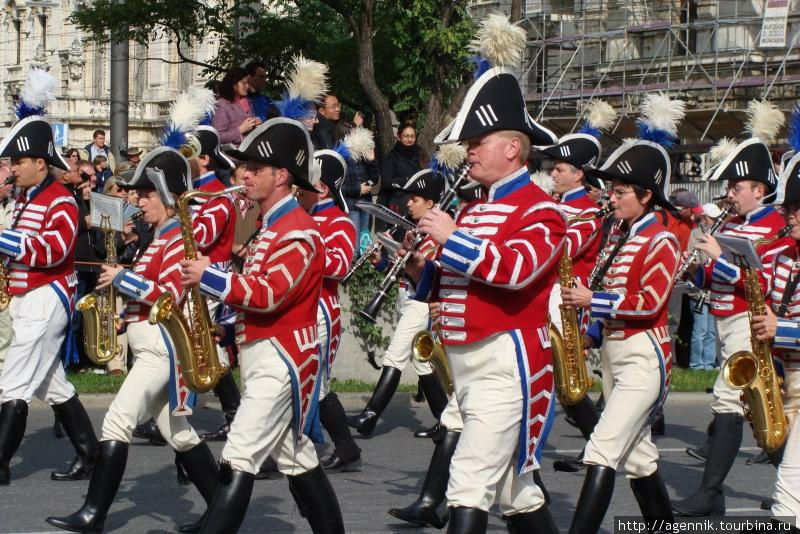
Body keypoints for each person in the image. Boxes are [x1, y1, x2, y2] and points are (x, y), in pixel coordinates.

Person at [401, 15, 563, 530]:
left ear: (512, 147)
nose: (468, 150)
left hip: (506, 361)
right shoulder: (471, 210)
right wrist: (419, 261)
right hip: (466, 362)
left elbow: (514, 271)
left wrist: (451, 238)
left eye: (479, 141)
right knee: (517, 495)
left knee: (468, 486)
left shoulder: (543, 210)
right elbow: (440, 288)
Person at [180, 118, 344, 534]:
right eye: (243, 167)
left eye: (254, 167)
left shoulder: (299, 230)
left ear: (283, 175)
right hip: (265, 352)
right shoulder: (271, 225)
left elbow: (270, 294)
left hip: (283, 357)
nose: (243, 175)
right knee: (297, 457)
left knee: (238, 455)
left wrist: (211, 278)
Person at [561, 93, 685, 534]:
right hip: (614, 352)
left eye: (619, 191)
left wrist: (590, 301)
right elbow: (608, 290)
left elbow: (650, 302)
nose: (611, 198)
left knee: (601, 450)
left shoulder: (663, 240)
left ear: (647, 195)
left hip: (644, 356)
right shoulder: (617, 233)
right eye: (610, 190)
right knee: (639, 458)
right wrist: (588, 333)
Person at [672, 101, 793, 517]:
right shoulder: (731, 224)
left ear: (759, 189)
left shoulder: (771, 228)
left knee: (729, 402)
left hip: (749, 321)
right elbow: (715, 278)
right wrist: (696, 270)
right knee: (761, 413)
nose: (728, 194)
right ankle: (790, 486)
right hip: (725, 318)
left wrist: (718, 256)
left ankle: (711, 493)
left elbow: (757, 283)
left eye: (735, 187)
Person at [0, 69, 101, 487]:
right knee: (50, 383)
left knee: (12, 382)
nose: (11, 169)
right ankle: (91, 453)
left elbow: (53, 251)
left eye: (18, 161)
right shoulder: (24, 199)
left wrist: (4, 242)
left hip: (48, 296)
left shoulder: (60, 201)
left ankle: (1, 462)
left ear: (40, 163)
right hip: (26, 296)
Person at [538, 100, 613, 472]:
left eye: (561, 168)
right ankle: (599, 446)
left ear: (579, 175)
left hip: (564, 299)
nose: (553, 173)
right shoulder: (555, 203)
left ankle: (598, 448)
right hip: (546, 294)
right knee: (562, 384)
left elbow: (560, 249)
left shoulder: (586, 210)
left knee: (563, 381)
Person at [347, 168, 449, 439]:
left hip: (423, 305)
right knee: (422, 364)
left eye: (415, 199)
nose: (408, 204)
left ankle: (370, 414)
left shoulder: (438, 236)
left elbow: (432, 274)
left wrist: (411, 261)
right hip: (409, 300)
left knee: (395, 356)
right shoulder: (415, 232)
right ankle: (445, 420)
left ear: (430, 204)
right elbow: (402, 271)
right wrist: (382, 262)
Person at [297, 148, 361, 472]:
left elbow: (339, 266)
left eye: (304, 182)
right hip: (296, 307)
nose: (297, 188)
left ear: (322, 187)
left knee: (315, 383)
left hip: (322, 309)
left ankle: (323, 447)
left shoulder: (340, 222)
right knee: (301, 381)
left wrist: (305, 248)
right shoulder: (299, 216)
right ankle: (345, 446)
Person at [749, 142, 800, 533]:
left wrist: (778, 328)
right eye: (788, 208)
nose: (789, 215)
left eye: (797, 209)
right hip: (788, 379)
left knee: (787, 491)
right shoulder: (783, 256)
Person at [188, 125, 242, 443]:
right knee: (194, 351)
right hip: (189, 280)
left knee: (208, 352)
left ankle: (235, 415)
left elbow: (202, 238)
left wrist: (174, 212)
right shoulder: (190, 192)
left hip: (209, 282)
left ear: (204, 159)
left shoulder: (219, 198)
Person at [687, 203, 723, 371]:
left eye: (715, 218)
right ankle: (696, 364)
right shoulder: (695, 233)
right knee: (699, 330)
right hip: (699, 289)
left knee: (711, 331)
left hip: (714, 287)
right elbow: (691, 259)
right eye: (711, 218)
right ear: (704, 218)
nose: (714, 221)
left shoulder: (720, 234)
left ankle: (709, 364)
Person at [380, 122, 424, 218]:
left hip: (418, 204)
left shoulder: (419, 154)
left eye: (412, 136)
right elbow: (386, 182)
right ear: (399, 137)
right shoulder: (390, 157)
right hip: (399, 204)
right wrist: (408, 180)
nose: (410, 139)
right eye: (406, 136)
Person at [211, 67, 261, 146]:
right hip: (233, 156)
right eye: (244, 83)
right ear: (233, 84)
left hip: (250, 153)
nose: (247, 86)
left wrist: (254, 124)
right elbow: (218, 136)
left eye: (248, 83)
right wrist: (241, 129)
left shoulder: (247, 102)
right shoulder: (222, 105)